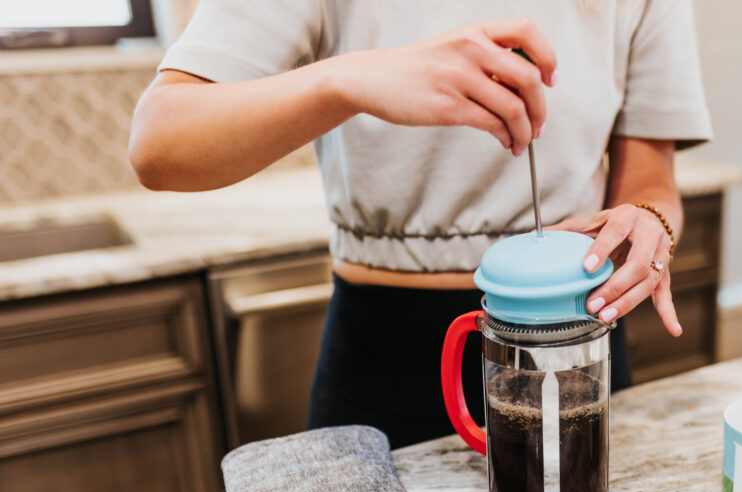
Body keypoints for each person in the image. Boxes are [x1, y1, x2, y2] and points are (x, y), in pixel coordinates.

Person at [129, 0, 712, 449]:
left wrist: (650, 219)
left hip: (575, 348)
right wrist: (350, 79)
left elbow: (649, 178)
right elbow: (161, 141)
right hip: (380, 364)